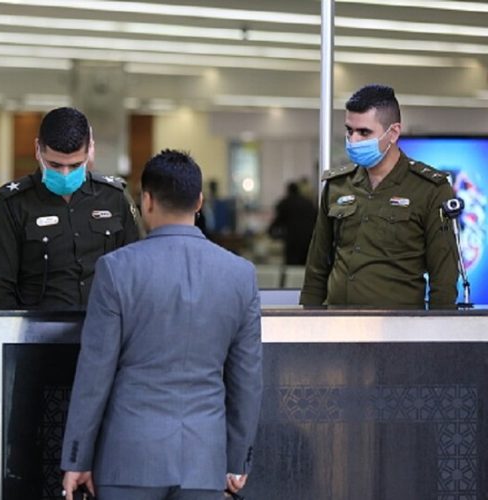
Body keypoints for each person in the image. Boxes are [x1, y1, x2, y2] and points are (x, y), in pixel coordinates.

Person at [61, 150, 263, 500]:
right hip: (204, 462)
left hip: (128, 460)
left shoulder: (116, 269)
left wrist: (78, 458)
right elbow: (247, 379)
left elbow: (94, 374)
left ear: (147, 201)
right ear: (199, 202)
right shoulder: (240, 275)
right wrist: (238, 459)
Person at [300, 84, 459, 308]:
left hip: (399, 324)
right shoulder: (338, 185)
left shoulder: (430, 189)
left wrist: (438, 327)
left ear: (393, 133)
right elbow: (316, 268)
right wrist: (307, 320)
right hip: (337, 321)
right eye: (349, 131)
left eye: (364, 132)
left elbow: (443, 278)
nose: (353, 140)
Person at [0, 106, 142, 310]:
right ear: (38, 150)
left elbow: (136, 272)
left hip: (103, 324)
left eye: (75, 165)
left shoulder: (114, 197)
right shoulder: (12, 204)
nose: (65, 174)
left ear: (90, 150)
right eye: (55, 165)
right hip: (37, 326)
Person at [268, 181, 318, 265]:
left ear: (288, 190)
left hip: (292, 241)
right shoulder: (308, 203)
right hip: (308, 240)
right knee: (304, 266)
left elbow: (278, 220)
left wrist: (270, 231)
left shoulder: (285, 203)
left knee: (292, 268)